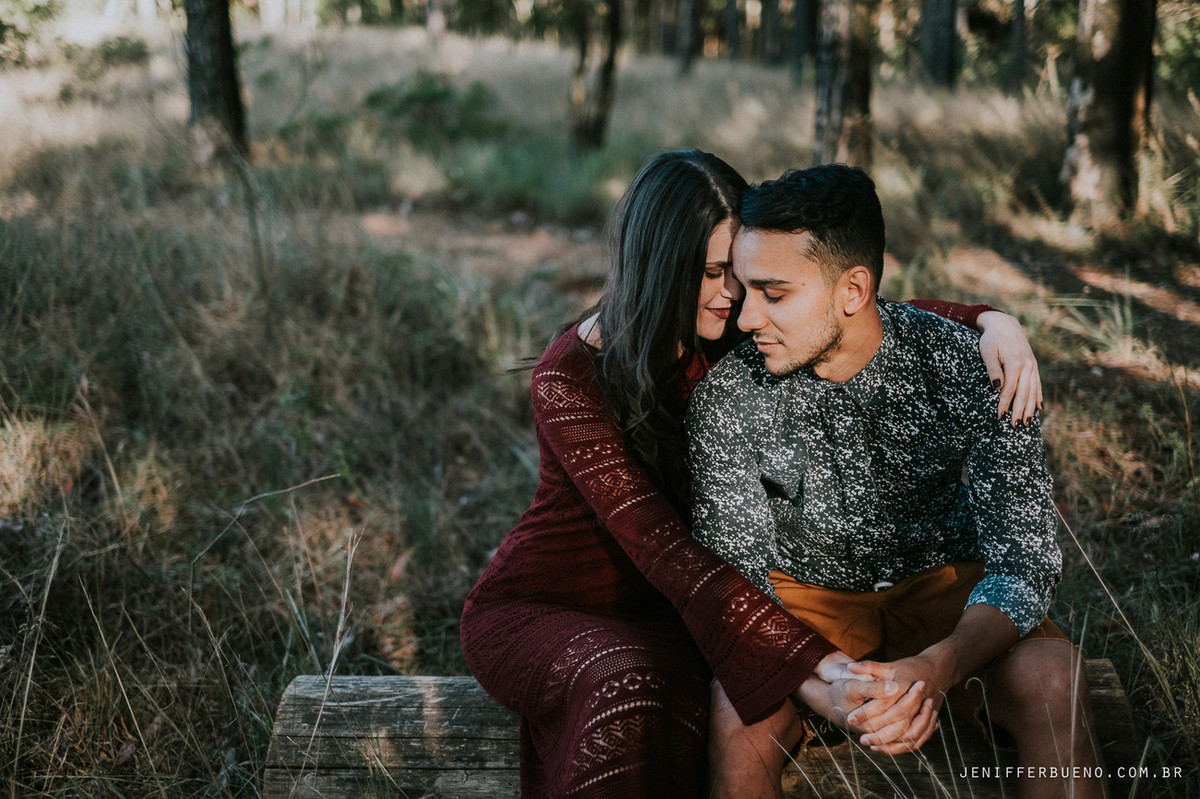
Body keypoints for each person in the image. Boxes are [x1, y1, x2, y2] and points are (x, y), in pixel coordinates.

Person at [459, 150, 1041, 798]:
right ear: (660, 268)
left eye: (738, 273)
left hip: (680, 610)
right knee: (625, 685)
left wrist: (989, 320)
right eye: (713, 274)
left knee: (694, 691)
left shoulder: (735, 331)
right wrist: (821, 674)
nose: (734, 297)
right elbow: (668, 551)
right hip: (557, 604)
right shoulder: (569, 378)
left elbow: (847, 302)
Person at [687, 163, 1107, 799]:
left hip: (945, 592)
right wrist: (821, 681)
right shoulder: (729, 395)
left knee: (1055, 678)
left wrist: (939, 666)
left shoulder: (969, 366)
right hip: (806, 604)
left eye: (773, 294)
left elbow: (1025, 562)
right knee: (736, 709)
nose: (745, 318)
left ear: (853, 290)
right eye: (745, 290)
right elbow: (737, 580)